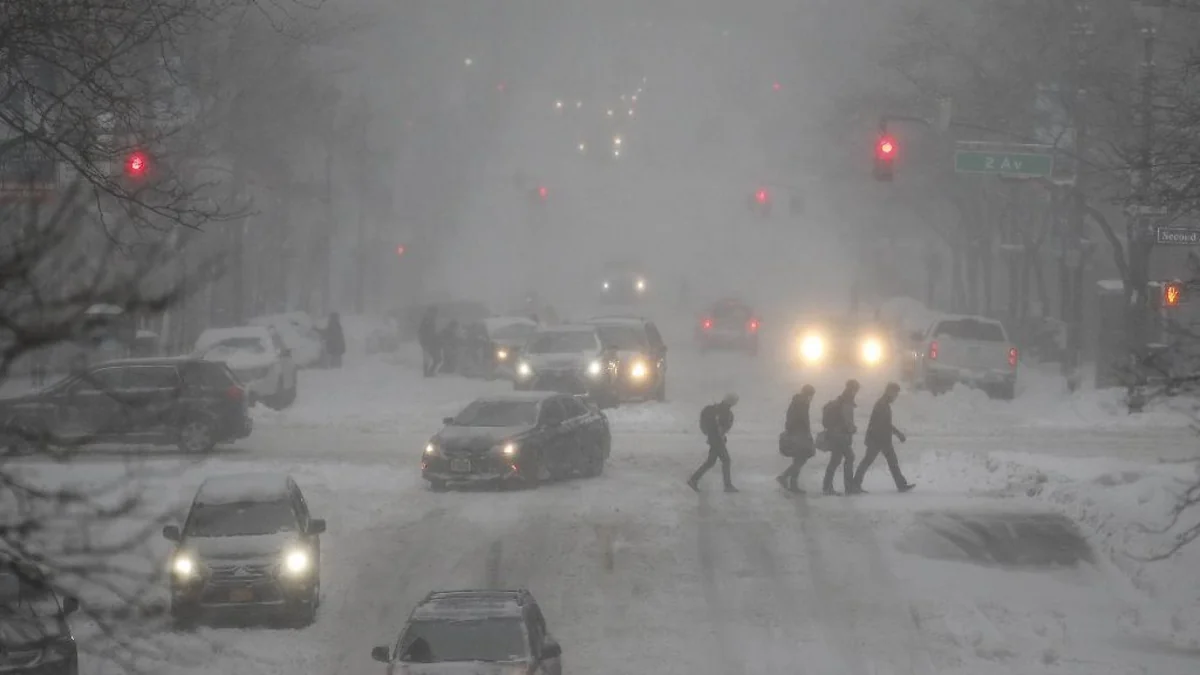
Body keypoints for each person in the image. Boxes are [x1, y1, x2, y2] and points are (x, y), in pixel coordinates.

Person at [853, 382, 915, 493]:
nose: (896, 396)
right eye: (895, 393)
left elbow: (885, 424)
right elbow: (885, 424)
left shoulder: (884, 403)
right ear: (889, 391)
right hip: (877, 439)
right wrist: (898, 434)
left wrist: (896, 434)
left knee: (892, 462)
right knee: (868, 461)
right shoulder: (882, 404)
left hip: (882, 439)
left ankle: (901, 485)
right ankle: (855, 485)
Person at [688, 393, 739, 493]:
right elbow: (722, 426)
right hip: (717, 439)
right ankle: (727, 486)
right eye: (734, 401)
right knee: (726, 460)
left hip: (714, 438)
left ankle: (693, 480)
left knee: (711, 461)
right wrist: (720, 434)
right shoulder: (724, 411)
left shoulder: (717, 409)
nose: (735, 403)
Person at [820, 379, 860, 495]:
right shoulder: (847, 401)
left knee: (836, 460)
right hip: (840, 436)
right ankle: (847, 487)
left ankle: (828, 486)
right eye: (856, 389)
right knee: (849, 457)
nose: (856, 392)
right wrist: (853, 429)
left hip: (835, 434)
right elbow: (847, 420)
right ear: (853, 389)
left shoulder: (841, 399)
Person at [776, 385, 816, 493]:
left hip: (794, 433)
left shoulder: (796, 401)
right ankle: (785, 477)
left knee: (798, 458)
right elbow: (804, 420)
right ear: (809, 394)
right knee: (801, 458)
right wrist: (807, 433)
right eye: (812, 395)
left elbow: (790, 418)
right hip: (800, 434)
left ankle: (792, 484)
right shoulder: (803, 403)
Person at [418, 306, 439, 377]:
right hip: (426, 343)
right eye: (434, 313)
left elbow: (432, 332)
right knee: (427, 358)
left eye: (436, 313)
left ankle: (429, 372)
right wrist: (423, 343)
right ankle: (426, 373)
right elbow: (421, 332)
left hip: (432, 342)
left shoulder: (432, 320)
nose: (435, 315)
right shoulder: (426, 320)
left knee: (436, 358)